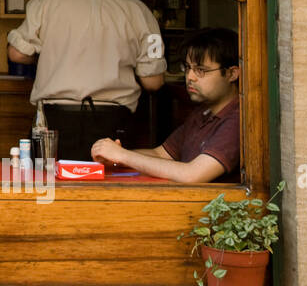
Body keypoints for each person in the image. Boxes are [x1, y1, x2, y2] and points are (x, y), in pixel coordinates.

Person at [7, 0, 166, 157]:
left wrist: (44, 56)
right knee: (112, 182)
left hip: (54, 121)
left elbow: (16, 54)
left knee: (48, 181)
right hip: (113, 123)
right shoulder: (138, 9)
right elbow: (153, 82)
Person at [90, 28, 240, 183]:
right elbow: (161, 154)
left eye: (200, 70)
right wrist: (115, 158)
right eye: (187, 67)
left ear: (232, 74)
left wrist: (123, 156)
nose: (190, 77)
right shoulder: (203, 112)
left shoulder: (237, 119)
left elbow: (193, 174)